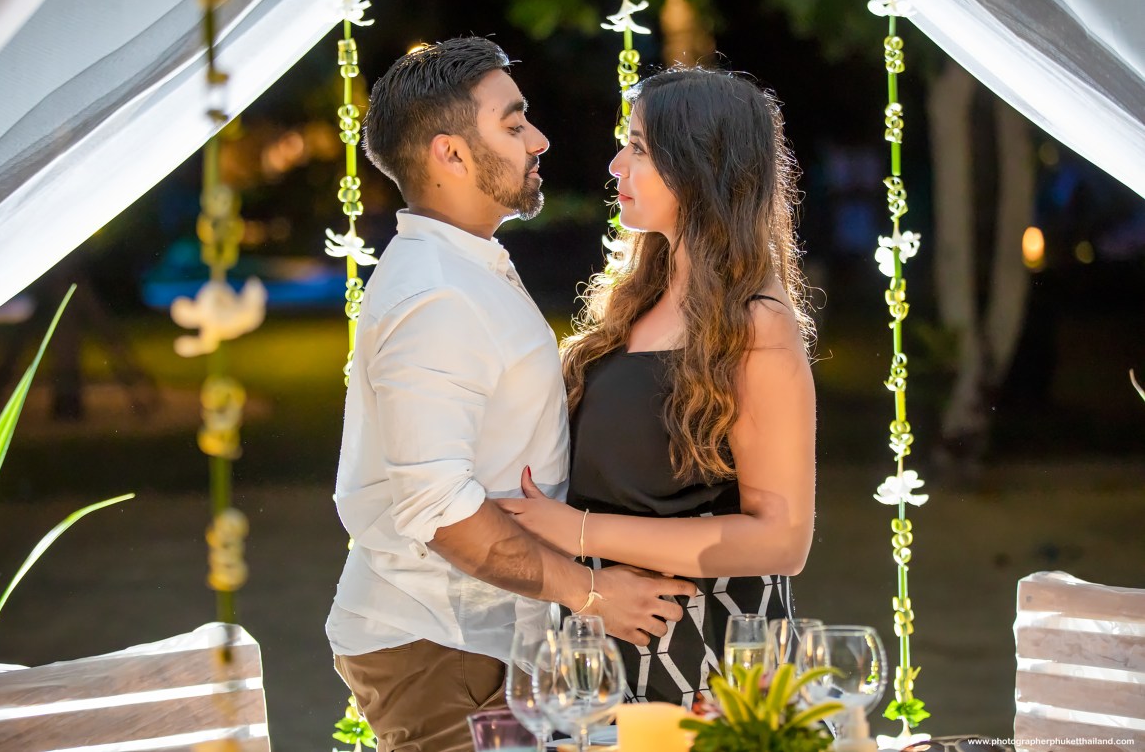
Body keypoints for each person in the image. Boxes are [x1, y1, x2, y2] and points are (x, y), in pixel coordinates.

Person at [325, 38, 697, 752]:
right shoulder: (435, 294)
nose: (540, 139)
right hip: (439, 644)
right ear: (451, 154)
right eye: (513, 123)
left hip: (472, 643)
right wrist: (591, 593)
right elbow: (439, 507)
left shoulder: (465, 267)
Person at [499, 67, 817, 706]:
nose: (616, 165)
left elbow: (782, 539)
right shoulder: (635, 298)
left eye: (638, 148)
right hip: (599, 647)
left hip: (707, 661)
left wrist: (577, 532)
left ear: (702, 165)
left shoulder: (758, 323)